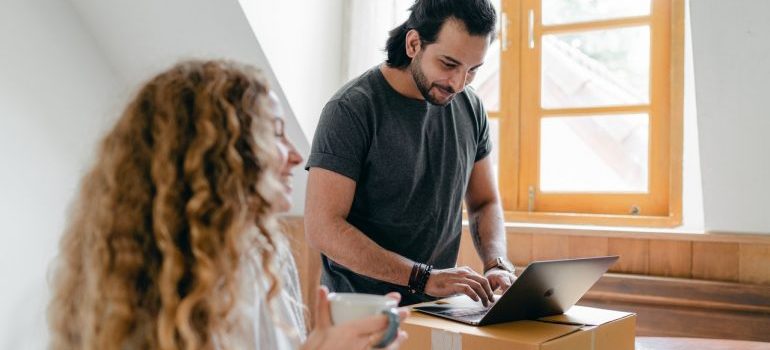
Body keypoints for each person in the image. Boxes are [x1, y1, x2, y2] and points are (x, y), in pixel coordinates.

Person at [47, 60, 407, 349]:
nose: (298, 156)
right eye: (276, 132)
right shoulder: (166, 279)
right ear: (217, 153)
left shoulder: (266, 252)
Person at [304, 0, 517, 307]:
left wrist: (497, 262)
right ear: (414, 43)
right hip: (358, 312)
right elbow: (323, 228)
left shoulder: (471, 108)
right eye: (449, 64)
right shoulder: (351, 109)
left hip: (433, 308)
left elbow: (484, 202)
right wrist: (422, 277)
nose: (458, 83)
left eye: (472, 70)